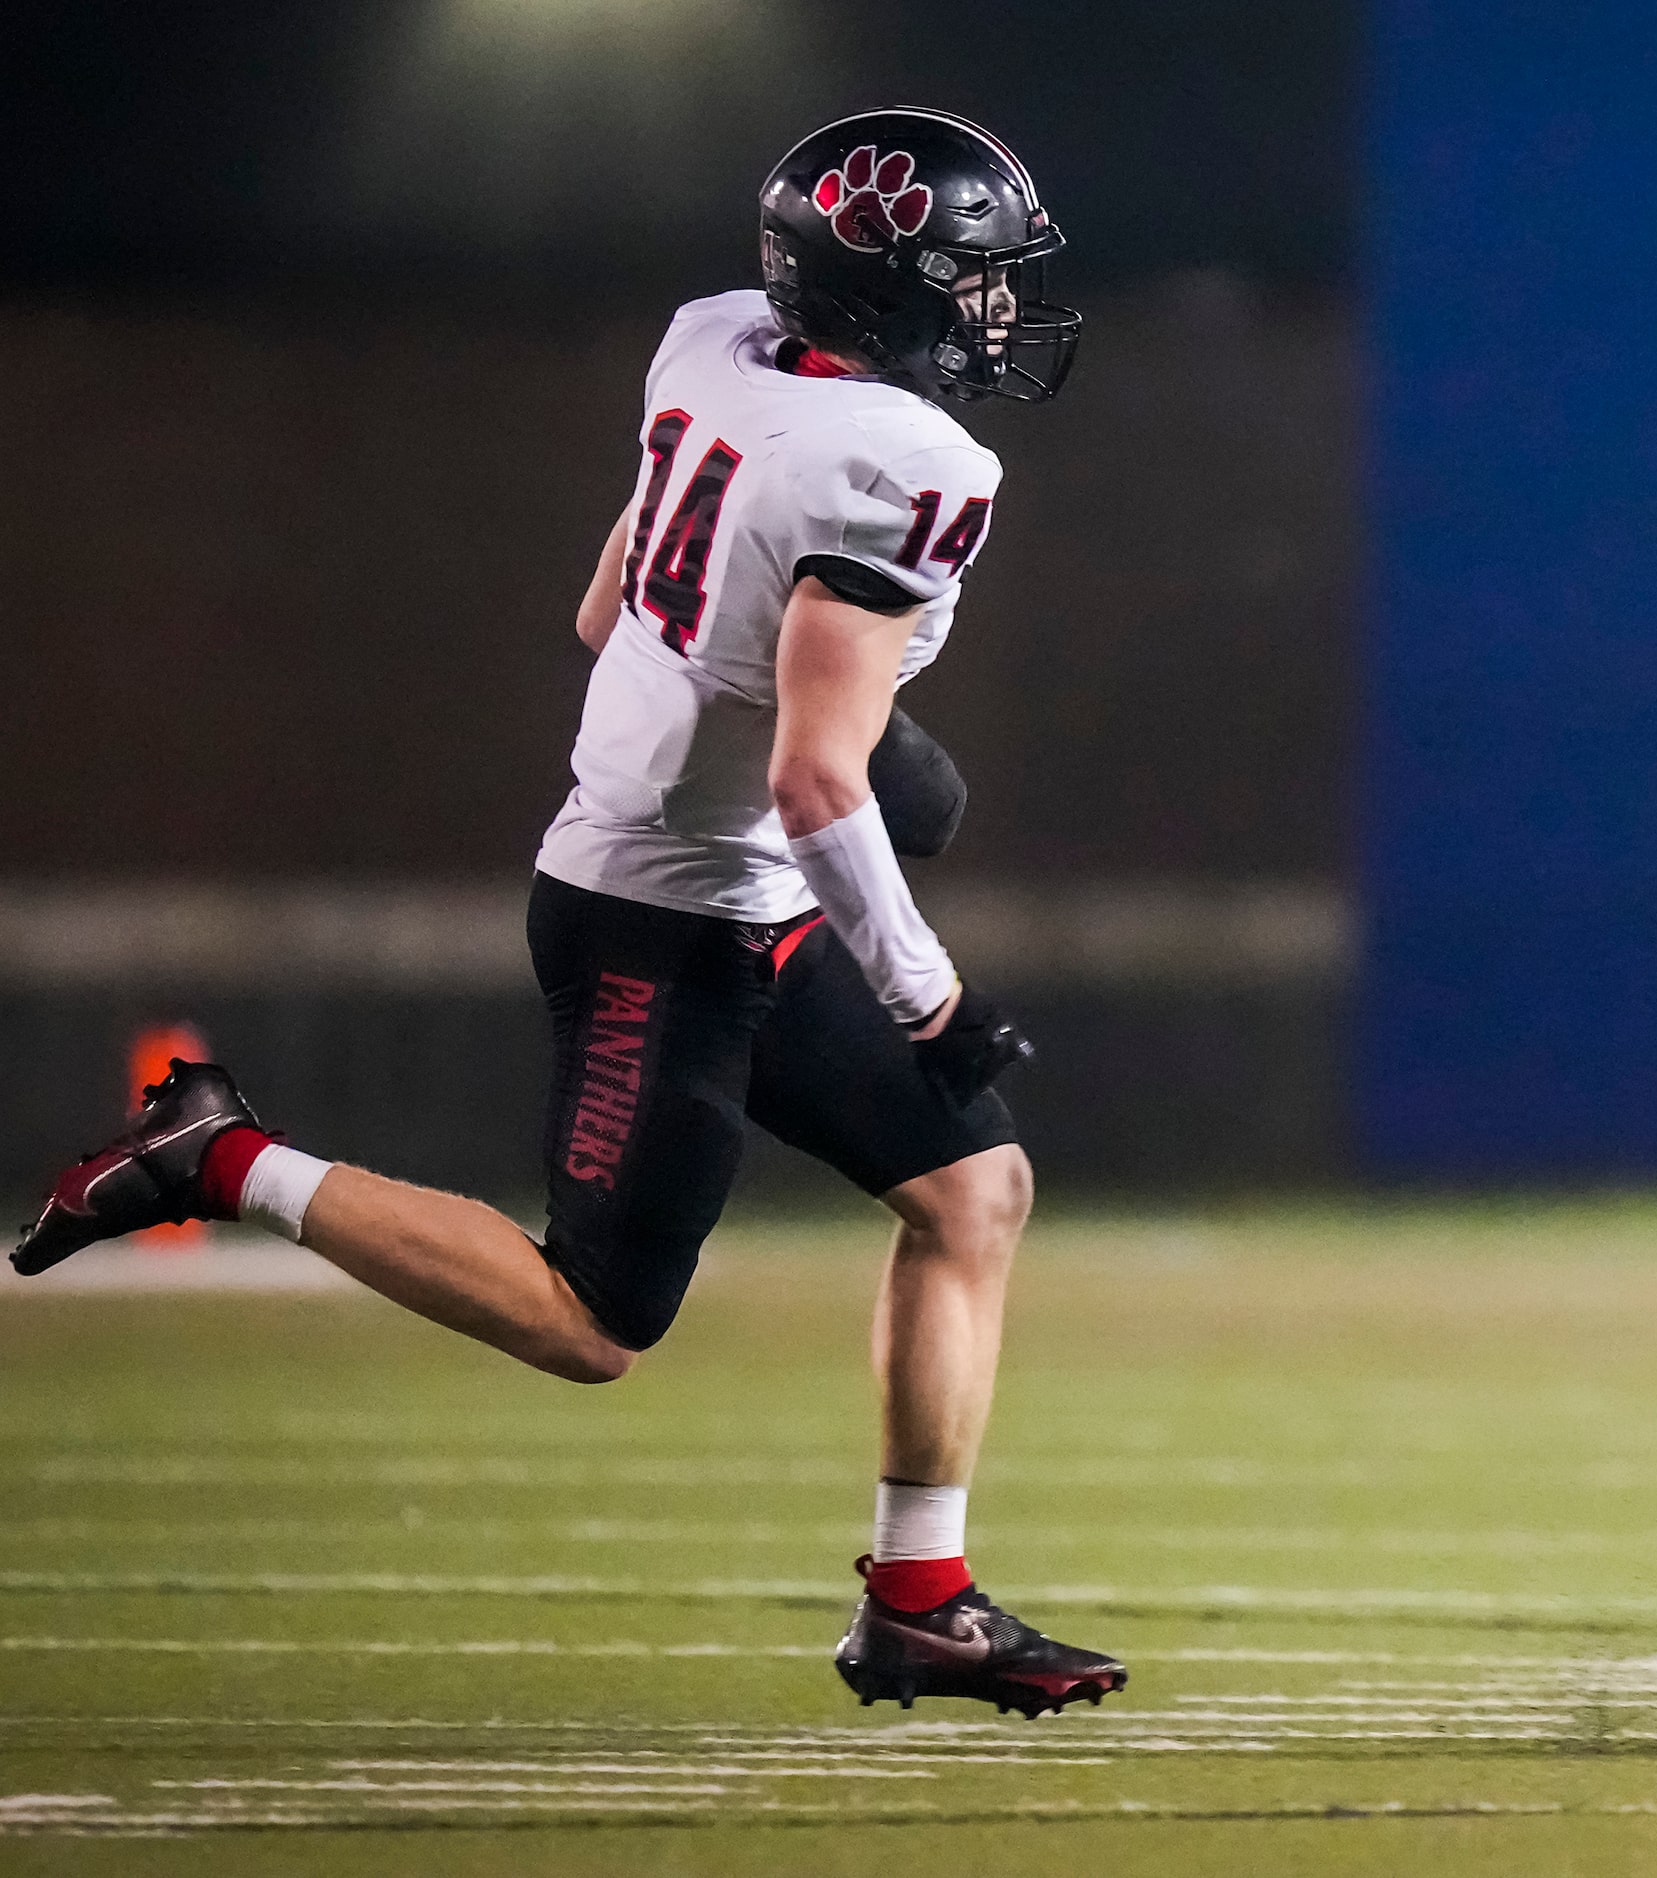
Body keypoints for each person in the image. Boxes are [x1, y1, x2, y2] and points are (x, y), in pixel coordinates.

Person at [13, 108, 1125, 1720]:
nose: (996, 310)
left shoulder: (715, 341)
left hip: (717, 882)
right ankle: (220, 1154)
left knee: (972, 1192)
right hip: (661, 918)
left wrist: (822, 699)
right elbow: (818, 787)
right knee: (592, 1322)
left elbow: (608, 605)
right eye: (970, 277)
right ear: (885, 288)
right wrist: (927, 991)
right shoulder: (914, 464)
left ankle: (920, 1603)